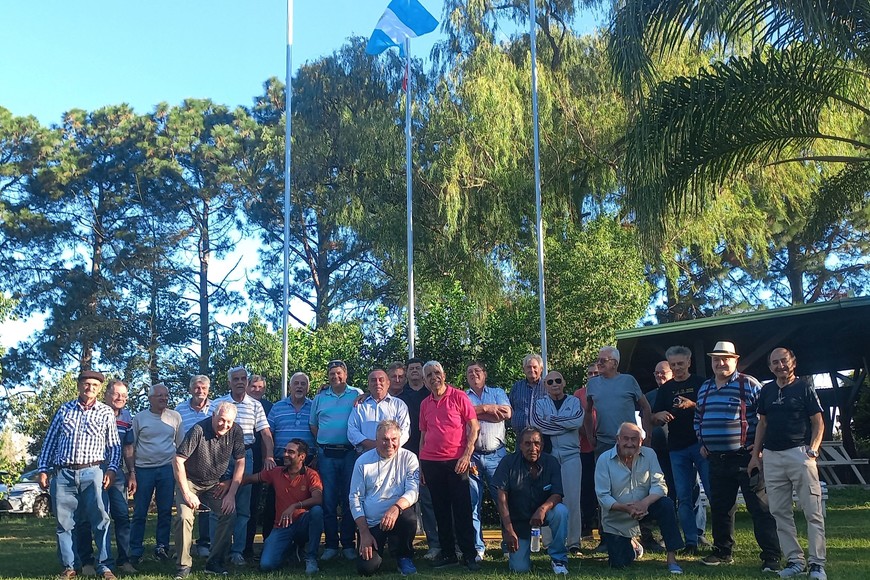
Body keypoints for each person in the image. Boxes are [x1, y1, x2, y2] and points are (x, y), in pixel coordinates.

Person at [694, 341, 781, 570]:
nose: (720, 363)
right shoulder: (705, 388)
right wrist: (703, 442)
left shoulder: (749, 384)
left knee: (760, 508)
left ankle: (771, 556)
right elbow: (698, 419)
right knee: (721, 509)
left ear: (735, 360)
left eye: (725, 359)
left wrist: (759, 448)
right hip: (716, 459)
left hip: (746, 458)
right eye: (716, 359)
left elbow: (766, 418)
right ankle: (722, 552)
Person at [748, 348, 827, 580]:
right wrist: (756, 455)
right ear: (770, 367)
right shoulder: (767, 390)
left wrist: (812, 451)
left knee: (812, 511)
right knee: (779, 512)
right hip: (772, 456)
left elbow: (818, 422)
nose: (780, 365)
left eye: (784, 360)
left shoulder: (804, 387)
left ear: (793, 362)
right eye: (775, 362)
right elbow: (762, 424)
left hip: (799, 454)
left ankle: (817, 564)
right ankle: (794, 560)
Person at [37, 370, 122, 580]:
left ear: (100, 389)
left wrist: (111, 469)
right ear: (78, 386)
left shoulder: (105, 412)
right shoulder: (64, 410)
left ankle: (105, 566)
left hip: (93, 472)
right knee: (64, 524)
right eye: (86, 384)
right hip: (63, 473)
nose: (90, 388)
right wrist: (43, 469)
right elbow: (50, 441)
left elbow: (114, 446)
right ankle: (69, 567)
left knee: (101, 520)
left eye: (94, 385)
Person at [595, 422, 684, 573]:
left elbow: (660, 485)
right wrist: (625, 508)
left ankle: (671, 559)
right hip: (618, 517)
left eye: (634, 439)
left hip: (646, 509)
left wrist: (644, 503)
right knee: (619, 564)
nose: (629, 443)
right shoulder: (604, 460)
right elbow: (603, 496)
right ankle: (633, 544)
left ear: (641, 441)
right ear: (618, 439)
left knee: (666, 505)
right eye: (626, 438)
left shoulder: (650, 455)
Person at [418, 360, 481, 571]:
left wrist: (467, 455)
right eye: (429, 375)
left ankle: (470, 555)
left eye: (437, 372)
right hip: (431, 463)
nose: (433, 377)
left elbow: (474, 426)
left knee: (462, 510)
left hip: (457, 461)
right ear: (425, 381)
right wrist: (421, 465)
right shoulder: (425, 404)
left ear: (444, 375)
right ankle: (448, 554)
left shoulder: (459, 397)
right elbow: (423, 435)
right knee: (440, 511)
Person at [172, 402, 246, 579]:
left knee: (229, 512)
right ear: (213, 415)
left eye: (229, 422)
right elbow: (178, 460)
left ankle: (214, 562)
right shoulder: (198, 429)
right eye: (221, 420)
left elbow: (241, 462)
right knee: (184, 517)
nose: (225, 425)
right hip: (190, 480)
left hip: (214, 483)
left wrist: (231, 494)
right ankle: (183, 565)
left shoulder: (236, 431)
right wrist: (187, 493)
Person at [212, 366, 275, 566]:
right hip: (221, 454)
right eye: (236, 379)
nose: (240, 382)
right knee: (217, 504)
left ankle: (237, 551)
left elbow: (265, 433)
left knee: (243, 508)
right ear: (229, 382)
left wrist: (270, 456)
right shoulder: (218, 403)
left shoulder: (255, 405)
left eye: (243, 379)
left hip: (246, 455)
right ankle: (217, 549)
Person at [652, 346, 711, 554]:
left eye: (680, 364)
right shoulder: (665, 389)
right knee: (683, 497)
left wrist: (692, 404)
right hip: (676, 447)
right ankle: (691, 542)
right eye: (673, 365)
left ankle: (722, 543)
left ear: (689, 362)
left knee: (712, 492)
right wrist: (658, 417)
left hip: (701, 444)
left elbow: (711, 408)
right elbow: (653, 417)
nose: (677, 368)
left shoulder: (701, 383)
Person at [75, 379, 136, 575]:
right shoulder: (93, 412)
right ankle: (87, 562)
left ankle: (123, 560)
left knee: (121, 516)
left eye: (124, 396)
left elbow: (128, 447)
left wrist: (131, 472)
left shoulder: (127, 417)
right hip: (91, 471)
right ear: (106, 394)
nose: (121, 399)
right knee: (87, 518)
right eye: (117, 394)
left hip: (116, 474)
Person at [493, 427, 569, 575]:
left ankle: (559, 559)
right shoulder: (508, 463)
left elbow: (557, 494)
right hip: (518, 521)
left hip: (544, 514)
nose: (532, 448)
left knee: (561, 511)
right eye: (527, 444)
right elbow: (501, 498)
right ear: (520, 445)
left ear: (542, 445)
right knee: (519, 569)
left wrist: (542, 509)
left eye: (537, 443)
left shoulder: (552, 462)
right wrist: (508, 529)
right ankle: (521, 553)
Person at [350, 420, 420, 576]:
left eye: (394, 439)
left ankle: (404, 556)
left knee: (409, 516)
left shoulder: (409, 458)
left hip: (398, 517)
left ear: (399, 439)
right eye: (384, 439)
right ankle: (376, 549)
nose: (389, 443)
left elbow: (413, 491)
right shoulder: (362, 461)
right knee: (366, 569)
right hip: (372, 523)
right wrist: (364, 532)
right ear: (376, 440)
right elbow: (355, 498)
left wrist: (395, 508)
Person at [242, 439, 323, 575]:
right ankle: (290, 550)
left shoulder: (311, 475)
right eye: (285, 451)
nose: (285, 454)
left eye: (290, 452)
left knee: (317, 512)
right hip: (281, 526)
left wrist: (295, 506)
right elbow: (249, 479)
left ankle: (311, 558)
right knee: (267, 565)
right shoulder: (276, 472)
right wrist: (228, 485)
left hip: (303, 523)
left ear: (302, 456)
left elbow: (318, 498)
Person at [310, 359, 363, 561]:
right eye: (332, 374)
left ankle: (348, 544)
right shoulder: (320, 397)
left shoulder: (356, 394)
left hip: (350, 453)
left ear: (346, 375)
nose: (336, 377)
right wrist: (324, 440)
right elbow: (313, 425)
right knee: (329, 500)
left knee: (351, 499)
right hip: (327, 454)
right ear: (328, 376)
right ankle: (331, 545)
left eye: (339, 373)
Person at [129, 383, 183, 565]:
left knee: (165, 511)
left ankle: (162, 547)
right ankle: (135, 550)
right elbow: (132, 446)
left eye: (166, 395)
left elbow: (181, 446)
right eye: (159, 395)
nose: (163, 398)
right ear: (150, 398)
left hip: (167, 469)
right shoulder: (140, 418)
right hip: (144, 470)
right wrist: (132, 473)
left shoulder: (175, 417)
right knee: (140, 512)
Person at [532, 370, 584, 554]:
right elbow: (537, 423)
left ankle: (574, 542)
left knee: (572, 499)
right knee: (547, 499)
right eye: (550, 382)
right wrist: (564, 423)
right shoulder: (540, 403)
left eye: (558, 380)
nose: (554, 384)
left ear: (564, 382)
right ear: (545, 385)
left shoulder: (574, 402)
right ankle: (549, 542)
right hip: (549, 457)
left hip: (571, 456)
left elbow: (577, 421)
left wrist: (552, 421)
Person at [465, 361, 512, 561]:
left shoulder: (498, 391)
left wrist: (475, 413)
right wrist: (487, 408)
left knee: (503, 500)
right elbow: (461, 416)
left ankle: (508, 544)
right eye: (470, 372)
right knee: (472, 503)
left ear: (485, 374)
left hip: (497, 455)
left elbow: (507, 413)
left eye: (477, 371)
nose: (474, 374)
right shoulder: (463, 396)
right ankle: (478, 548)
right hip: (473, 456)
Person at [396, 357, 439, 560]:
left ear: (423, 373)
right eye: (411, 368)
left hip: (429, 454)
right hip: (404, 455)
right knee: (406, 502)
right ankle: (406, 546)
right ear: (407, 373)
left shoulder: (431, 394)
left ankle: (435, 544)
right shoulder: (399, 396)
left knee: (430, 502)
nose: (414, 371)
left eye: (417, 368)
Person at [584, 346, 652, 458]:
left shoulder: (629, 381)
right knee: (605, 475)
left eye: (603, 360)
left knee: (632, 475)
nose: (599, 364)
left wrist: (648, 436)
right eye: (598, 360)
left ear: (615, 364)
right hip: (603, 443)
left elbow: (645, 407)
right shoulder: (592, 384)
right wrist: (590, 436)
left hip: (629, 442)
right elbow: (587, 412)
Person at [175, 375, 213, 557]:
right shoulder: (179, 409)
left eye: (204, 388)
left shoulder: (214, 408)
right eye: (197, 388)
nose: (200, 391)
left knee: (205, 508)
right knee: (184, 506)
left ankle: (204, 543)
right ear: (190, 389)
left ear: (208, 390)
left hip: (208, 463)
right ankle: (182, 547)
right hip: (185, 462)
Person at [244, 373, 274, 560]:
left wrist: (267, 458)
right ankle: (236, 546)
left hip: (260, 459)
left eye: (260, 387)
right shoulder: (238, 403)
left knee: (254, 504)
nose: (257, 390)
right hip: (241, 454)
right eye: (253, 386)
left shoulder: (270, 407)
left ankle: (250, 547)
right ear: (247, 387)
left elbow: (268, 434)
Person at [347, 369, 410, 452]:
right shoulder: (359, 405)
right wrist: (372, 444)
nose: (377, 383)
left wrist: (389, 446)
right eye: (373, 380)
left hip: (392, 454)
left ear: (388, 383)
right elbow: (352, 429)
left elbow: (405, 430)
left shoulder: (399, 405)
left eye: (381, 380)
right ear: (368, 385)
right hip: (365, 454)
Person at [573, 365, 599, 540]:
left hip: (605, 445)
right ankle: (587, 525)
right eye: (590, 373)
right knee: (586, 487)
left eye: (596, 373)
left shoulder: (607, 391)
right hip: (584, 447)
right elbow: (575, 418)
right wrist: (588, 435)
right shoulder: (579, 394)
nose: (592, 376)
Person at [509, 354, 545, 433]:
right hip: (521, 435)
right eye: (529, 367)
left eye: (535, 367)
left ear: (541, 369)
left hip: (544, 435)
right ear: (524, 369)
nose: (532, 370)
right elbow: (510, 408)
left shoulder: (547, 386)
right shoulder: (517, 387)